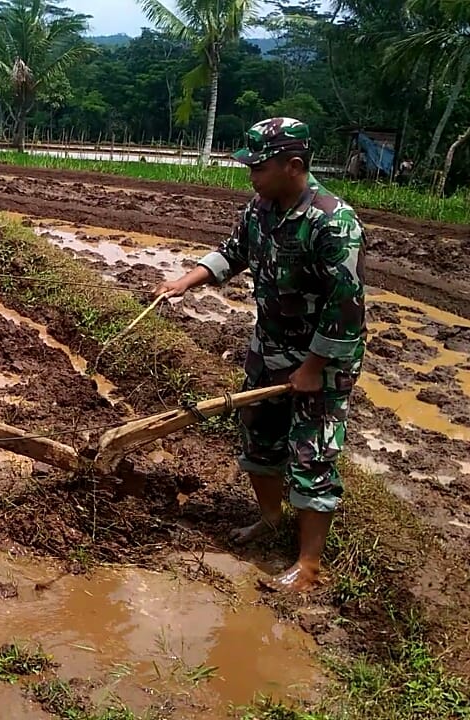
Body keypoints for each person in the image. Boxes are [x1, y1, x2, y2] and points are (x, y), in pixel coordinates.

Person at [155, 117, 367, 593]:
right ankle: (270, 519)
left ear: (293, 166)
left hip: (323, 360)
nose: (251, 174)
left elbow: (347, 306)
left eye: (259, 166)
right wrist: (185, 283)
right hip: (269, 347)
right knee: (258, 436)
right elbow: (233, 253)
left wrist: (313, 368)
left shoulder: (332, 222)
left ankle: (308, 565)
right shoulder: (261, 208)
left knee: (312, 454)